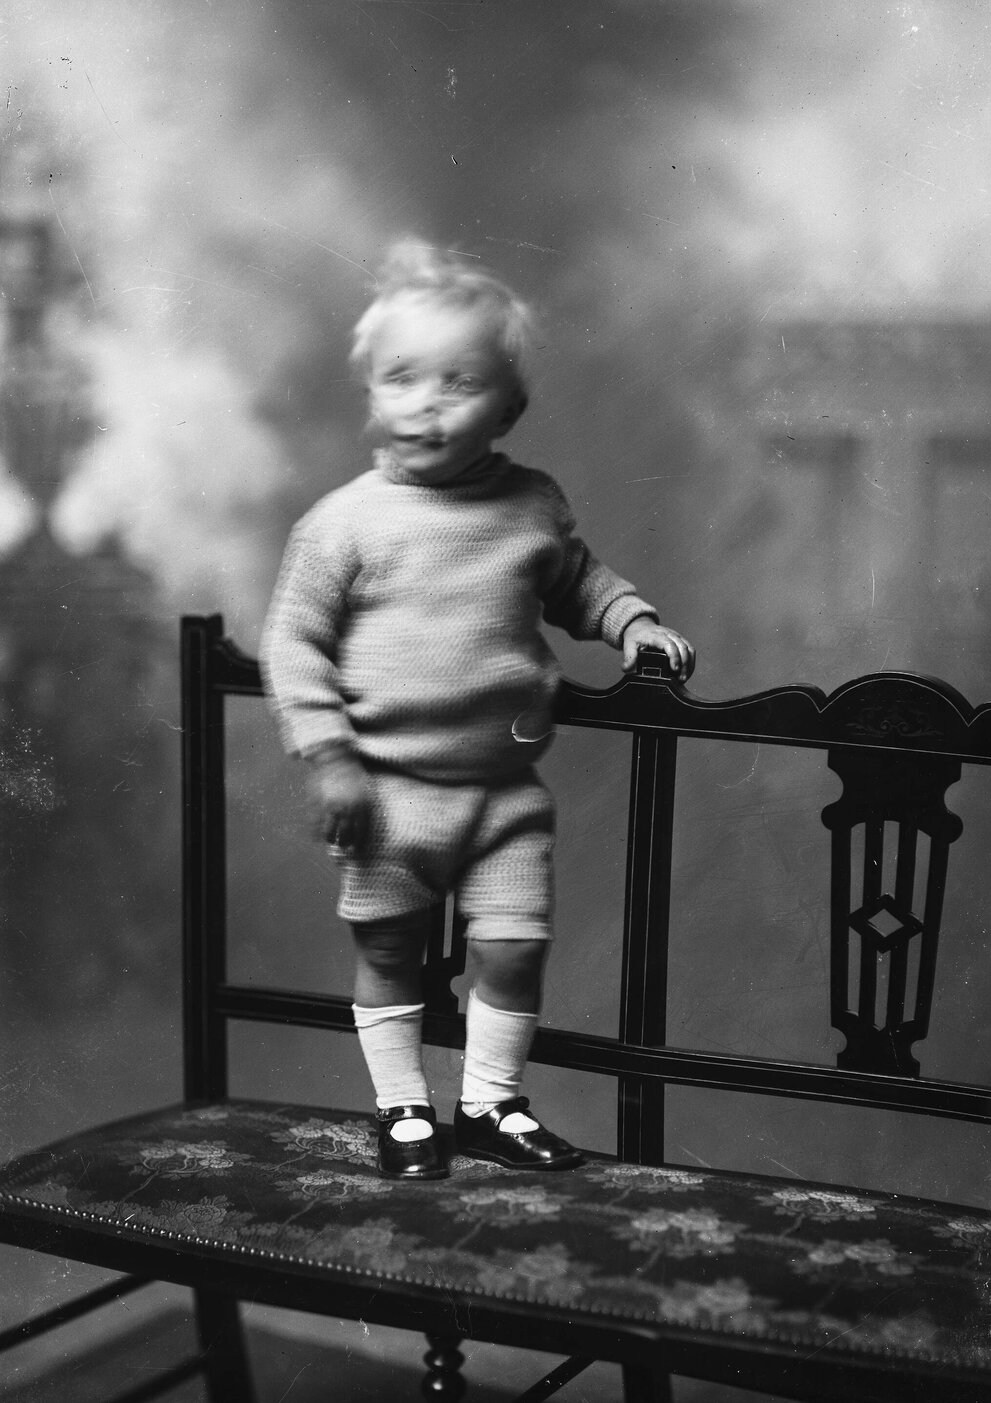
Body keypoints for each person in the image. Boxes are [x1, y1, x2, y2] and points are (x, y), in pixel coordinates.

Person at [260, 240, 694, 1181]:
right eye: (402, 378)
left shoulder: (531, 505)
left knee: (514, 948)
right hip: (388, 795)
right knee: (389, 949)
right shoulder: (343, 524)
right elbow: (292, 645)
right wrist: (331, 758)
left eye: (459, 382)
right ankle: (404, 1107)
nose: (427, 403)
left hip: (503, 796)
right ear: (371, 395)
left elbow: (578, 582)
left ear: (509, 408)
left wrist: (632, 622)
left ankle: (492, 1102)